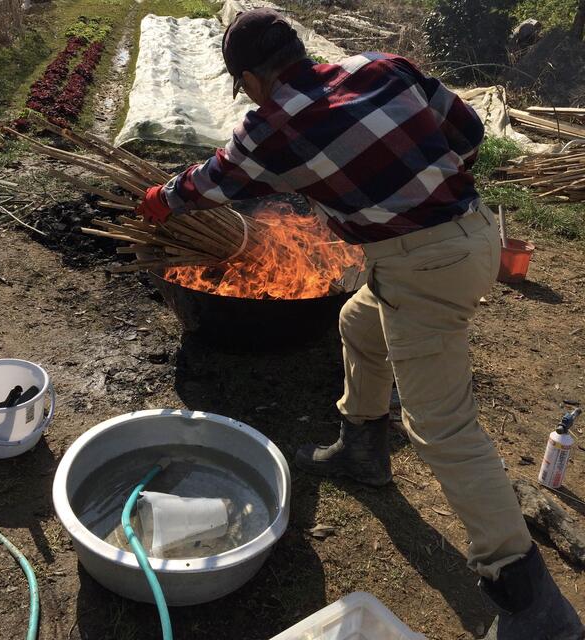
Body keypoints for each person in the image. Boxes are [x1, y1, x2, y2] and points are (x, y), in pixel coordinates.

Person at [137, 8, 583, 639]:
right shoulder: (381, 67)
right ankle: (362, 448)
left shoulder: (271, 127)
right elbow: (467, 127)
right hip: (476, 232)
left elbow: (210, 183)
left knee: (442, 428)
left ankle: (530, 600)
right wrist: (424, 187)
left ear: (251, 79)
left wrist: (157, 200)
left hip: (424, 263)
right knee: (359, 322)